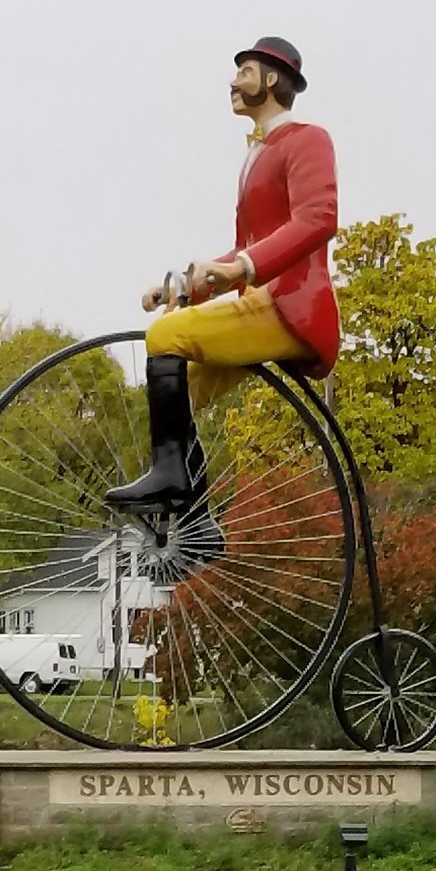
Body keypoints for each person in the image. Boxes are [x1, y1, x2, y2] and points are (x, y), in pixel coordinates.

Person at [105, 36, 340, 560]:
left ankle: (171, 481)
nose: (234, 81)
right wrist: (185, 288)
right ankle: (198, 519)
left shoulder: (307, 140)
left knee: (164, 336)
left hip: (291, 303)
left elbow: (318, 219)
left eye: (245, 71)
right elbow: (244, 250)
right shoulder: (255, 156)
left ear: (273, 79)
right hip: (263, 297)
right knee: (180, 384)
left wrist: (241, 268)